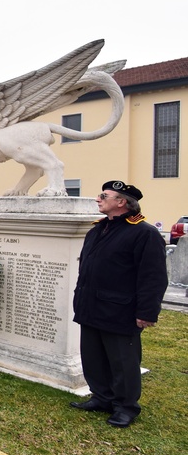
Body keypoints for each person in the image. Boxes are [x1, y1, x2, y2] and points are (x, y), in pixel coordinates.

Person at [70, 180, 167, 428]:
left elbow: (153, 277)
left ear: (122, 202)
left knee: (123, 361)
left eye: (104, 195)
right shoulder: (98, 230)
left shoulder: (144, 233)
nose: (98, 199)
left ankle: (126, 406)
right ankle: (102, 397)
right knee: (93, 357)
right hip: (91, 306)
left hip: (120, 311)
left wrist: (147, 312)